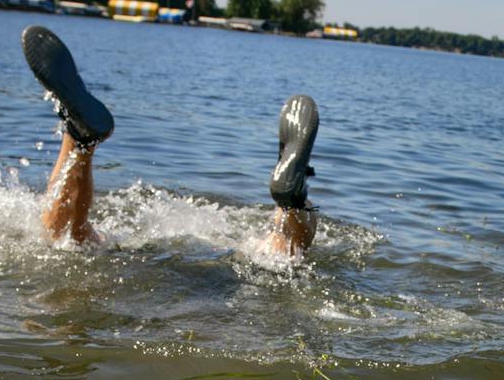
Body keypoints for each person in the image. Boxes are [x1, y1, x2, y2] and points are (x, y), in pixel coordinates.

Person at [21, 25, 320, 256]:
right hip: (226, 276)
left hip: (139, 276)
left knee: (68, 240)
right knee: (279, 254)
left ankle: (78, 138)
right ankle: (292, 201)